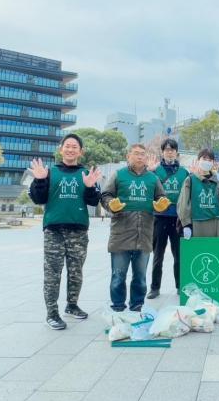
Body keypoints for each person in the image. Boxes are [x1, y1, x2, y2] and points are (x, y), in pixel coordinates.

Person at [28, 134, 102, 330]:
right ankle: (52, 314)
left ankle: (72, 305)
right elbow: (38, 199)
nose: (70, 149)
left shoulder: (87, 173)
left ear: (80, 151)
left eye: (74, 147)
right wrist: (40, 180)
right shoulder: (49, 172)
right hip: (54, 231)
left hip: (78, 230)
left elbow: (94, 201)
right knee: (52, 273)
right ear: (61, 149)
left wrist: (90, 187)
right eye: (67, 146)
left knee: (76, 271)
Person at [101, 143, 170, 312]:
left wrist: (162, 205)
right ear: (128, 156)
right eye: (136, 153)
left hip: (144, 234)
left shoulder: (153, 179)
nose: (140, 157)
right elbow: (105, 195)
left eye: (142, 154)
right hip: (121, 234)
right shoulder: (118, 175)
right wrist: (111, 204)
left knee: (140, 278)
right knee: (118, 276)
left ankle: (137, 307)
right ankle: (117, 308)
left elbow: (162, 197)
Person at [146, 138, 189, 299]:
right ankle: (155, 288)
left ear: (176, 152)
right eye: (166, 149)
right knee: (158, 255)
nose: (169, 152)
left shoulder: (184, 172)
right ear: (162, 152)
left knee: (179, 255)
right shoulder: (155, 171)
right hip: (159, 218)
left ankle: (180, 286)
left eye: (172, 149)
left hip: (178, 219)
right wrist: (148, 170)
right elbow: (146, 186)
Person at [177, 148, 219, 238]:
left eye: (210, 160)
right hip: (197, 222)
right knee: (199, 251)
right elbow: (183, 204)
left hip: (216, 222)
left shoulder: (217, 179)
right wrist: (186, 224)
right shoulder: (190, 180)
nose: (207, 162)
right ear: (198, 160)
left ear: (213, 162)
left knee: (215, 251)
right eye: (204, 159)